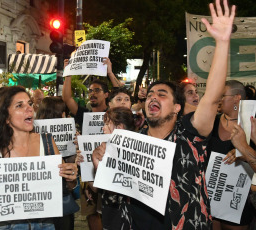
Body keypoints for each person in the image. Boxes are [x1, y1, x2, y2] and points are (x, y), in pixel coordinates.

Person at [93, 1, 235, 228]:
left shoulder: (190, 135)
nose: (152, 97)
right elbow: (114, 196)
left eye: (162, 94)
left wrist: (222, 42)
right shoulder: (132, 141)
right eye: (150, 94)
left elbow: (212, 96)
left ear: (178, 108)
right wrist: (104, 164)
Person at [0, 86, 78, 230]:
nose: (29, 109)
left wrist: (71, 179)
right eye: (20, 105)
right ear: (5, 117)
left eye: (29, 104)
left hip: (46, 224)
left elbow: (64, 189)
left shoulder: (47, 143)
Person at [208, 80, 254, 230]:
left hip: (238, 202)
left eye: (222, 95)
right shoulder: (211, 122)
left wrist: (243, 150)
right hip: (212, 199)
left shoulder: (251, 126)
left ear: (236, 98)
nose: (219, 99)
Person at [36, 96, 78, 230]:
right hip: (56, 195)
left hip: (58, 193)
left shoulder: (32, 133)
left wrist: (76, 146)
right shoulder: (33, 134)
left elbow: (70, 164)